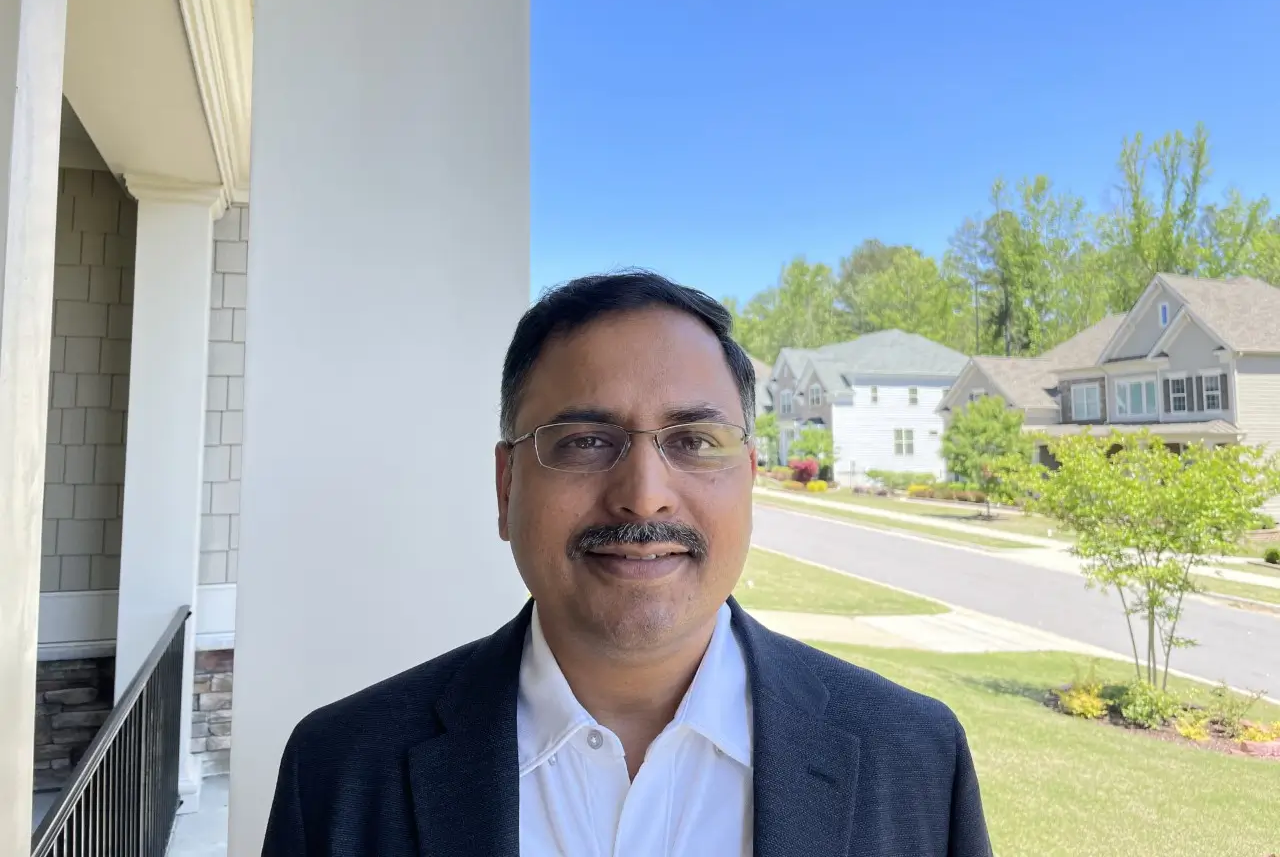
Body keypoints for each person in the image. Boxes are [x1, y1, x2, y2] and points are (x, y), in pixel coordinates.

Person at [262, 270, 992, 856]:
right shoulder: (340, 771)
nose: (644, 498)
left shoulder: (916, 760)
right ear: (507, 485)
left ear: (750, 476)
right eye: (584, 440)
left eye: (694, 440)